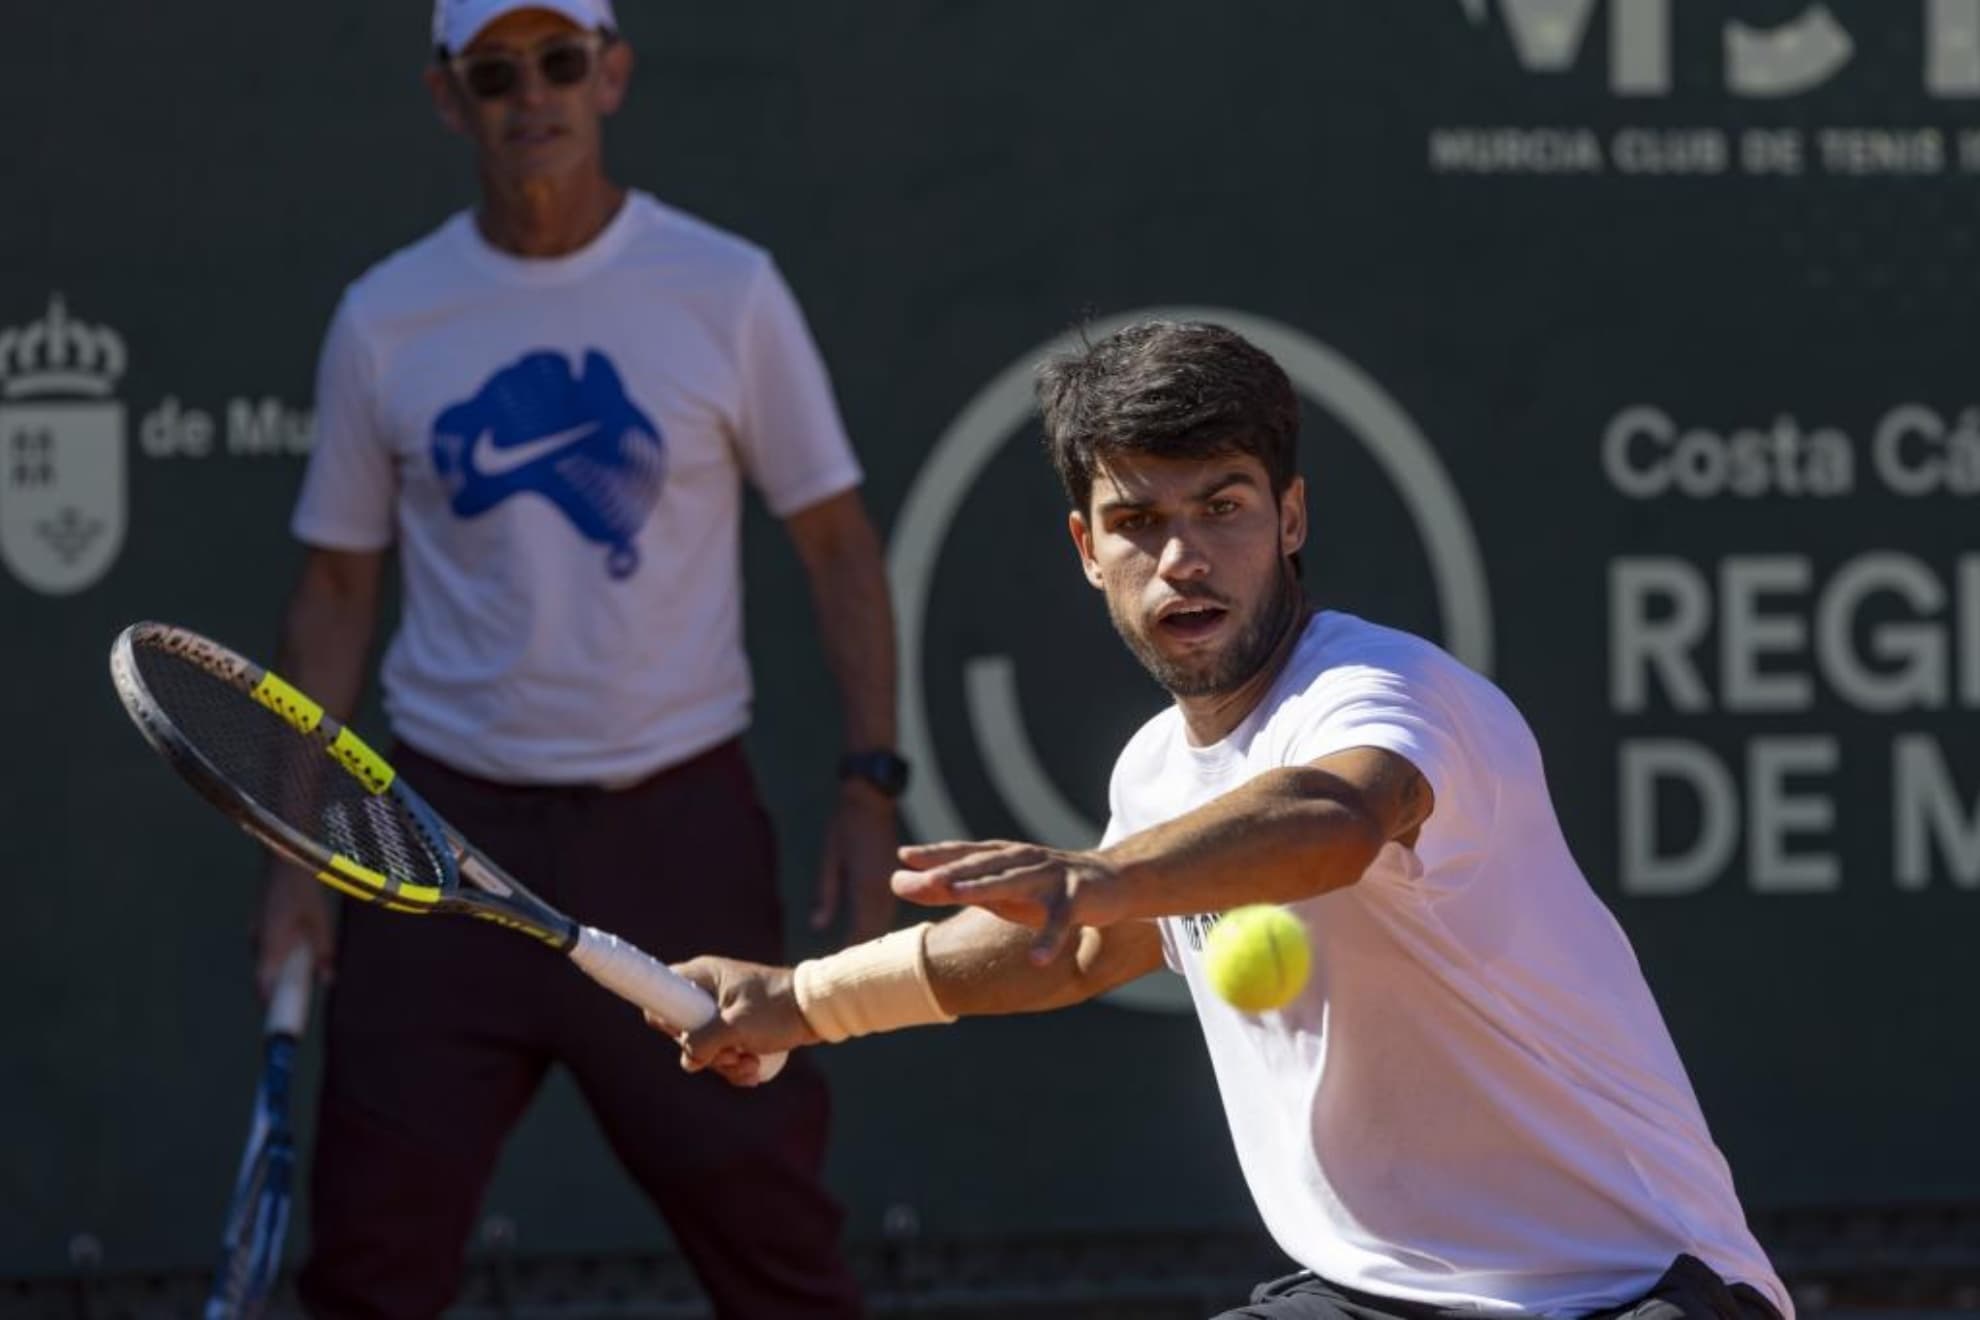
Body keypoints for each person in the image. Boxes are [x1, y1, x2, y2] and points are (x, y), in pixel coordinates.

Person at [666, 320, 1794, 1319]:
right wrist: (803, 1002)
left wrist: (1100, 876)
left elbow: (1333, 815)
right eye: (1137, 521)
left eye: (1224, 507)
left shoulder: (1391, 693)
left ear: (1291, 515)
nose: (1183, 559)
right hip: (1373, 1294)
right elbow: (1081, 951)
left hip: (1639, 1288)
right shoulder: (1156, 772)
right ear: (1085, 550)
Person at [254, 2, 898, 1314]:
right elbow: (333, 590)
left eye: (559, 62)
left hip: (675, 838)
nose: (530, 95)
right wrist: (298, 852)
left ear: (611, 75)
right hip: (432, 844)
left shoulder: (726, 288)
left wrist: (870, 782)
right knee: (370, 1268)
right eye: (496, 73)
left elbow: (837, 546)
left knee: (779, 1251)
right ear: (450, 97)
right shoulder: (387, 317)